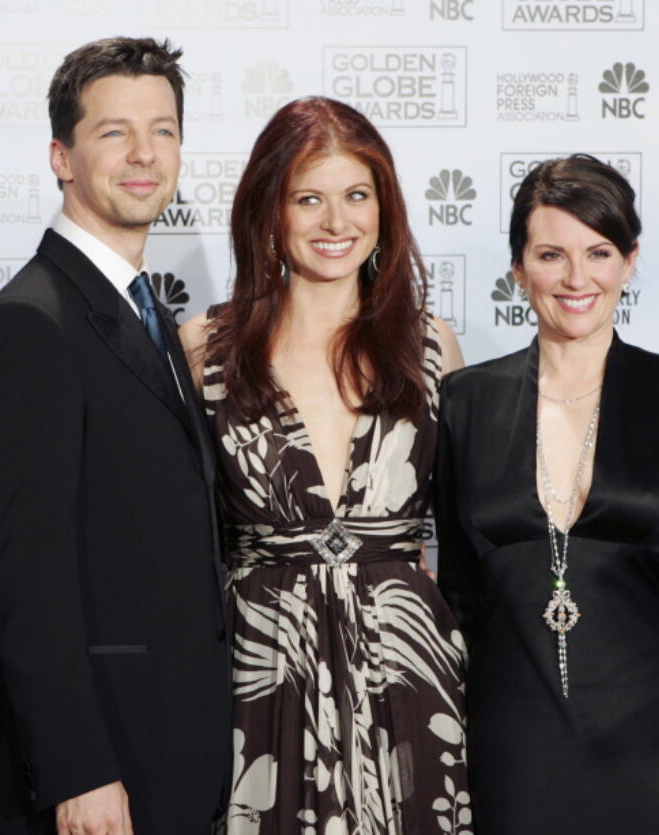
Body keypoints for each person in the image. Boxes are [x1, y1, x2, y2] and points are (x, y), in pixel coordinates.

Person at [434, 154, 659, 835]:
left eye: (599, 251)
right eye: (552, 254)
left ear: (630, 260)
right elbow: (460, 600)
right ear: (519, 267)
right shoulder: (465, 402)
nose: (577, 278)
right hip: (512, 743)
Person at [0, 37, 231, 835]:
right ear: (61, 158)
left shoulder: (145, 313)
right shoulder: (29, 324)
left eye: (164, 130)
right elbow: (22, 573)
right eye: (114, 132)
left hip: (168, 744)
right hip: (95, 775)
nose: (145, 154)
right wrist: (79, 770)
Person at [179, 96, 469, 834]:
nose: (336, 224)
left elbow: (469, 539)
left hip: (409, 671)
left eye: (356, 197)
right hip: (259, 675)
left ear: (384, 207)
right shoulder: (202, 348)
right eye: (309, 198)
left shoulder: (432, 346)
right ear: (268, 211)